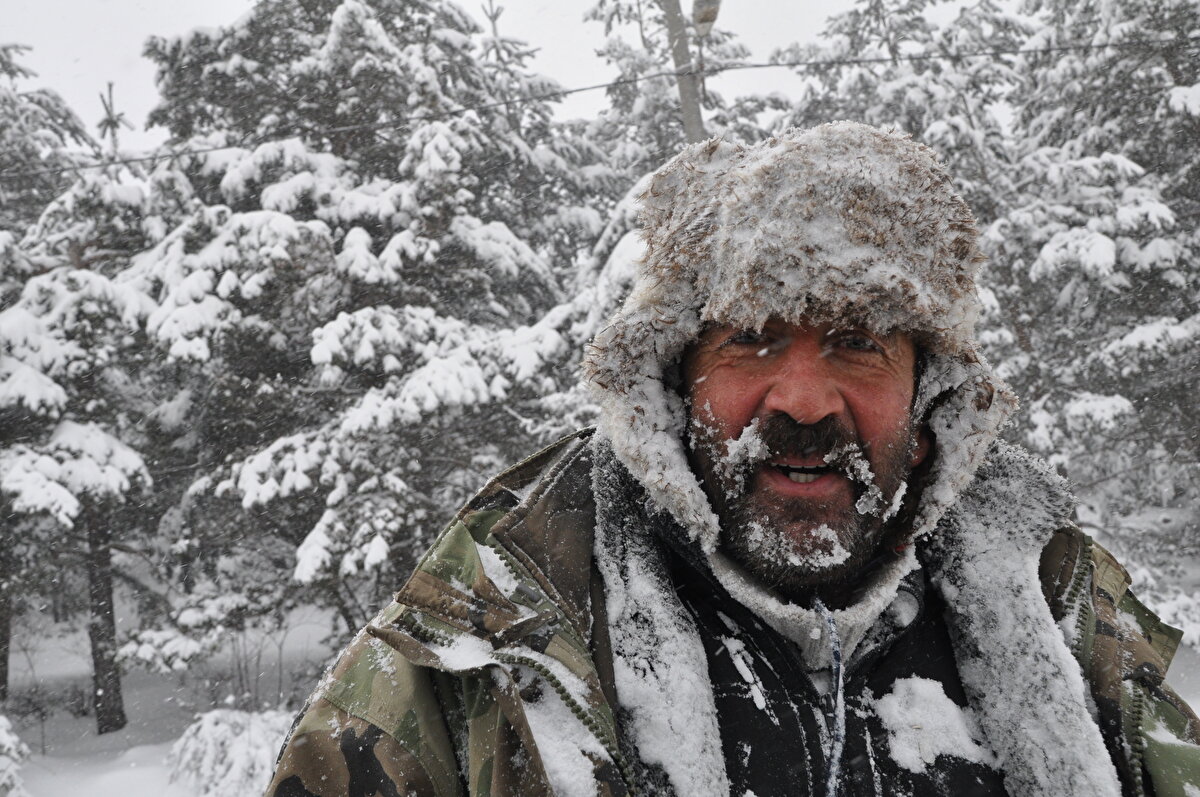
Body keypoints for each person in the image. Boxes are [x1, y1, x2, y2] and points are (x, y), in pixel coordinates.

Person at [265, 123, 1200, 797]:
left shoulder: (1062, 605)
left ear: (929, 402)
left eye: (857, 340)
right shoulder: (491, 639)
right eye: (749, 340)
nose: (801, 399)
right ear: (673, 384)